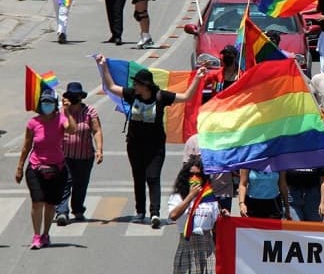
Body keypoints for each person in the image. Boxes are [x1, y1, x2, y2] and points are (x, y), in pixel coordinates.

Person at [96, 54, 206, 228]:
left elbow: (186, 97)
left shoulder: (161, 96)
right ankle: (140, 212)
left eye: (137, 83)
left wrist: (199, 78)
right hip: (134, 145)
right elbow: (110, 86)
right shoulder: (132, 95)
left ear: (145, 86)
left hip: (155, 147)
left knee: (153, 177)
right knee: (138, 177)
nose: (133, 86)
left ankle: (154, 213)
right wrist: (103, 66)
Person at [15, 89, 77, 249]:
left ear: (54, 104)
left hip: (57, 168)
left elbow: (72, 129)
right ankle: (36, 235)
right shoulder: (33, 123)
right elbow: (26, 146)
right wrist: (20, 167)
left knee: (50, 204)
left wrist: (68, 111)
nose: (47, 105)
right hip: (36, 167)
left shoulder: (61, 119)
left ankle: (45, 234)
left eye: (50, 102)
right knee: (37, 202)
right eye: (44, 102)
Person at [55, 82, 103, 225]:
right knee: (65, 182)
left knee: (80, 184)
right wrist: (66, 111)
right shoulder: (61, 112)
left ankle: (77, 209)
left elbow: (97, 130)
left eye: (77, 96)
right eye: (71, 96)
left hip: (84, 155)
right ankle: (62, 212)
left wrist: (99, 149)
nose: (74, 99)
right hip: (64, 155)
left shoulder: (90, 111)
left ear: (81, 97)